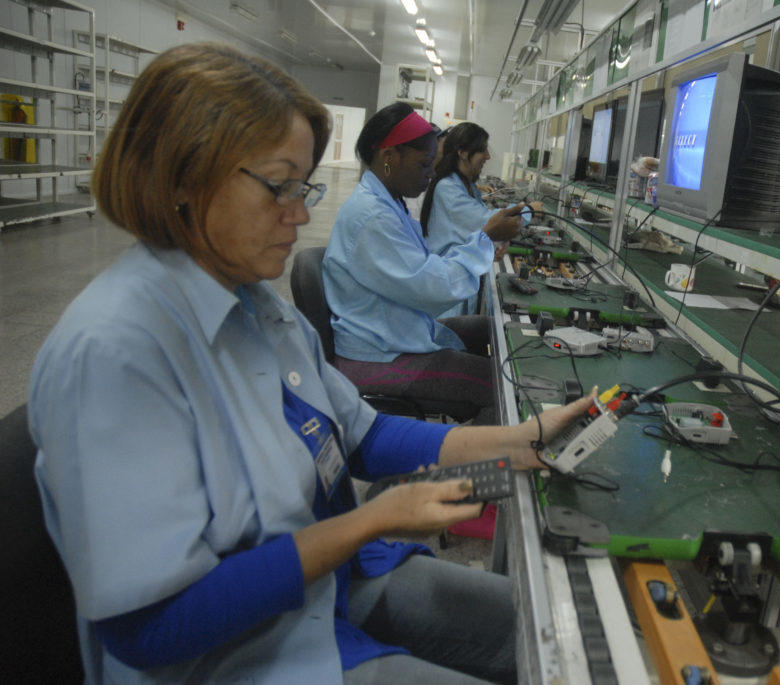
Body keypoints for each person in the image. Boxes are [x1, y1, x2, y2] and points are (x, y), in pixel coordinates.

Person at [28, 43, 594, 684]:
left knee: (563, 640)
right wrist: (368, 522)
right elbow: (150, 628)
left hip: (330, 586)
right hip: (237, 654)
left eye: (305, 186)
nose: (300, 213)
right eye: (279, 187)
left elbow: (366, 435)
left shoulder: (253, 305)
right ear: (182, 177)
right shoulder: (116, 354)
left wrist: (516, 441)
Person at [323, 103, 523, 424]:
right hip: (379, 357)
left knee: (489, 330)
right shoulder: (372, 216)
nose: (431, 174)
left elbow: (424, 270)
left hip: (395, 331)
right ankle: (468, 464)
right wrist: (484, 241)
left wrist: (481, 245)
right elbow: (433, 288)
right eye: (425, 163)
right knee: (505, 390)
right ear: (389, 157)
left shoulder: (390, 204)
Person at [420, 122, 543, 317]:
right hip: (448, 293)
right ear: (462, 152)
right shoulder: (448, 188)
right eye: (483, 150)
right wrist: (528, 210)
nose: (488, 156)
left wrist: (493, 243)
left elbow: (482, 228)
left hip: (458, 284)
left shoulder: (465, 186)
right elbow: (487, 221)